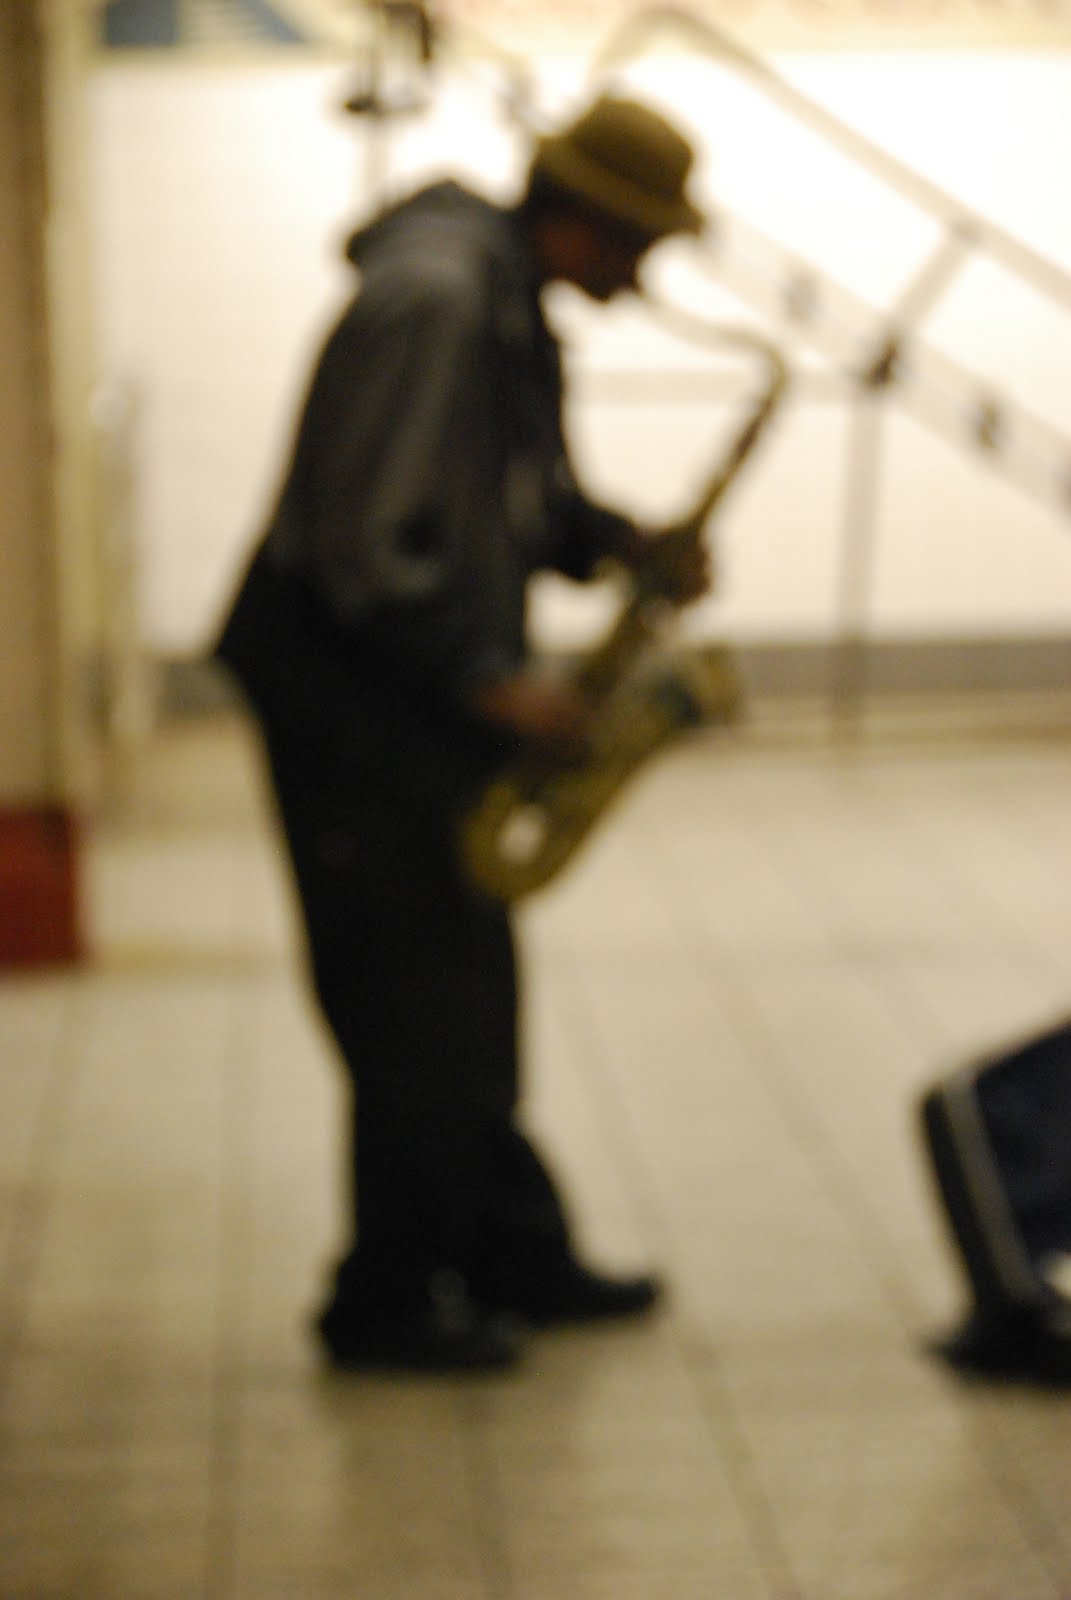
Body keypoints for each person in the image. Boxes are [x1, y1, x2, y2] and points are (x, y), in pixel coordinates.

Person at [213, 93, 711, 1372]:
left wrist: (618, 544)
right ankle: (385, 1295)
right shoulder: (439, 301)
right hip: (356, 697)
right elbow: (367, 547)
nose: (647, 271)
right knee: (410, 994)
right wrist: (494, 687)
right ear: (585, 217)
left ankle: (506, 1248)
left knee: (464, 982)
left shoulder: (502, 304)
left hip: (402, 689)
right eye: (641, 243)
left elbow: (513, 499)